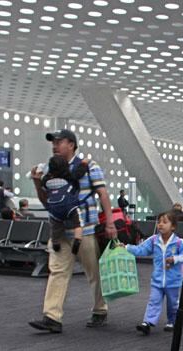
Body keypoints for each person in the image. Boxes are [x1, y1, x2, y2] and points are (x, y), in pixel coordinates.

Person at [28, 129, 117, 333]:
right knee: (57, 271)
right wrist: (36, 182)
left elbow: (102, 194)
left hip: (84, 229)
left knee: (93, 272)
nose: (55, 145)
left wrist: (110, 223)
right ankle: (52, 316)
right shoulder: (50, 169)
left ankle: (100, 309)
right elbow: (47, 201)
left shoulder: (90, 166)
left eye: (59, 141)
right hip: (59, 232)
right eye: (53, 142)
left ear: (72, 144)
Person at [127, 211, 183, 335]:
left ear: (173, 226)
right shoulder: (154, 240)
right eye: (159, 222)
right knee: (154, 300)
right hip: (157, 280)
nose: (160, 224)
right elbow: (141, 250)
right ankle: (147, 322)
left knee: (172, 304)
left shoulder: (178, 242)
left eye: (165, 222)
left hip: (173, 281)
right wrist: (127, 247)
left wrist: (175, 259)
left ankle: (172, 321)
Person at [40, 154, 90, 254]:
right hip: (69, 206)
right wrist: (84, 163)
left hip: (54, 208)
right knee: (78, 223)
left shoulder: (46, 181)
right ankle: (77, 240)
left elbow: (42, 183)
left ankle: (55, 243)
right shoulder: (69, 177)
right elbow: (79, 173)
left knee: (55, 226)